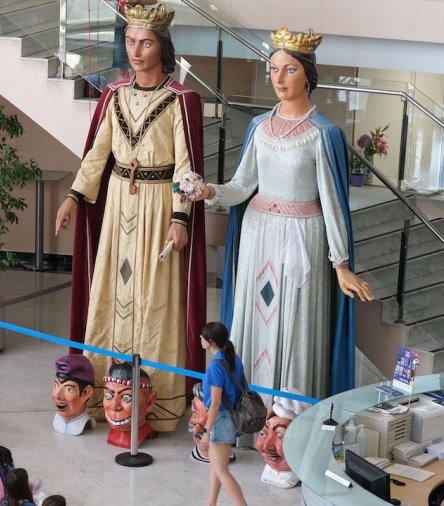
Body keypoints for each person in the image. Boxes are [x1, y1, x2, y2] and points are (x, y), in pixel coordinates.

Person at [191, 26, 374, 398]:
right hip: (258, 233)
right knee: (254, 319)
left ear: (308, 73)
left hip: (301, 241)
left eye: (289, 69)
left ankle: (286, 417)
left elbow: (333, 202)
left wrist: (340, 264)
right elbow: (243, 185)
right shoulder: (259, 127)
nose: (279, 78)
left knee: (292, 325)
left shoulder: (324, 134)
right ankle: (247, 409)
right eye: (273, 69)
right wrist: (210, 190)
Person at [54, 3, 207, 433]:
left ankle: (156, 401)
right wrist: (73, 196)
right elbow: (96, 155)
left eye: (146, 43)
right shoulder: (113, 95)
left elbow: (186, 167)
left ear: (163, 46)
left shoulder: (182, 100)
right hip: (119, 202)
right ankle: (105, 393)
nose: (136, 51)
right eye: (130, 41)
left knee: (155, 297)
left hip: (160, 207)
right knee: (112, 290)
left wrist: (181, 218)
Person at [199, 322, 247, 506]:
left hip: (221, 419)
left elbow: (216, 402)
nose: (200, 340)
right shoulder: (233, 358)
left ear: (210, 342)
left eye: (202, 338)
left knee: (221, 471)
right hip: (232, 416)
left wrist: (206, 430)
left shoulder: (215, 367)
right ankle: (210, 503)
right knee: (217, 466)